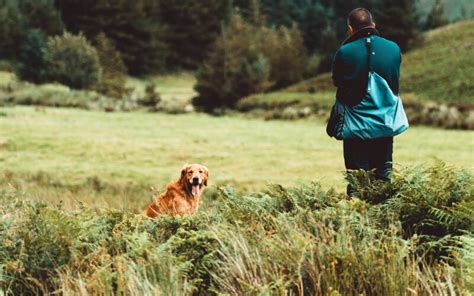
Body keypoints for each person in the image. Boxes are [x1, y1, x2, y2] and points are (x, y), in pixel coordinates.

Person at [331, 8, 403, 195]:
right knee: (383, 180)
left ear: (350, 28)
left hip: (356, 129)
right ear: (374, 24)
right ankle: (383, 222)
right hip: (384, 126)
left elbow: (337, 81)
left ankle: (358, 221)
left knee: (357, 182)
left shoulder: (344, 52)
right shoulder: (394, 48)